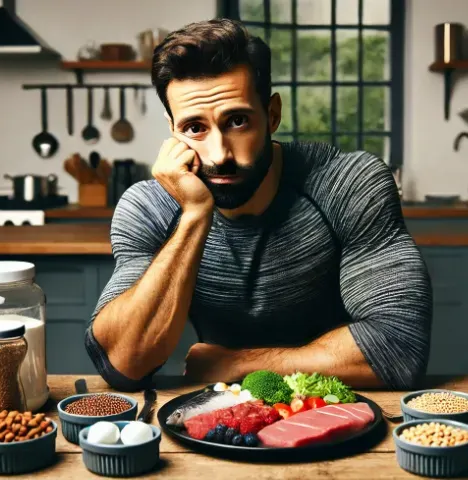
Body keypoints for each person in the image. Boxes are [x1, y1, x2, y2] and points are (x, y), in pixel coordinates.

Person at [85, 18, 432, 391]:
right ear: (173, 131)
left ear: (272, 115)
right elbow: (123, 362)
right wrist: (195, 215)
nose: (219, 155)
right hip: (217, 421)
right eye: (195, 128)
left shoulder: (347, 184)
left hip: (336, 410)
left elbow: (399, 346)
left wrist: (239, 364)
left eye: (237, 121)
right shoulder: (150, 208)